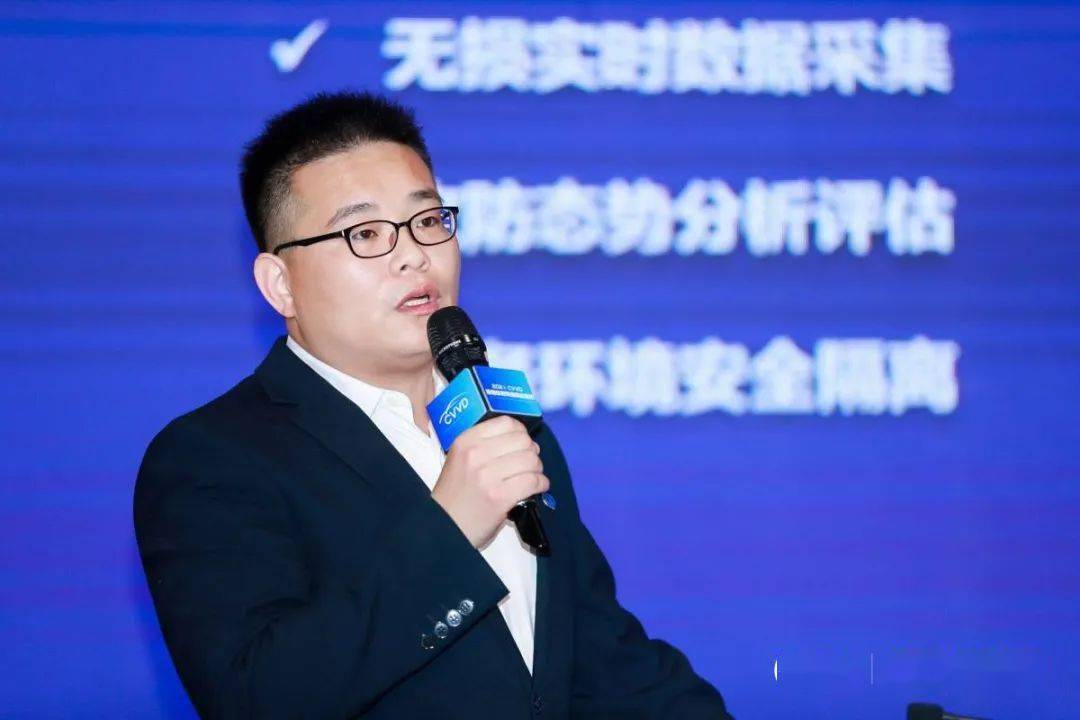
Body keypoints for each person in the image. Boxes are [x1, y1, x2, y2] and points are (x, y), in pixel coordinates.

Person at [133, 90, 733, 719]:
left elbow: (609, 669)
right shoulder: (213, 458)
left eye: (427, 221)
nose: (414, 254)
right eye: (366, 233)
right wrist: (451, 527)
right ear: (280, 284)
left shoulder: (505, 428)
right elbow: (257, 698)